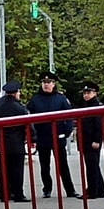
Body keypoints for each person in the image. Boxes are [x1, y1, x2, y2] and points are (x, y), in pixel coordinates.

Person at [25, 71, 81, 199]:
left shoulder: (60, 99)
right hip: (42, 137)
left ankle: (70, 190)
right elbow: (28, 118)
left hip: (58, 136)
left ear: (54, 84)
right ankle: (47, 189)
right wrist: (33, 135)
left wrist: (66, 132)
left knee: (63, 165)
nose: (46, 85)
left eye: (49, 82)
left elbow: (69, 116)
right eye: (44, 82)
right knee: (45, 166)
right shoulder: (35, 99)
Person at [0, 81, 30, 202]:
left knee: (3, 169)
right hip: (17, 142)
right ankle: (18, 193)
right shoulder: (20, 108)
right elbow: (27, 125)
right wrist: (32, 138)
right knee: (17, 169)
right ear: (15, 93)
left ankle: (4, 193)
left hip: (3, 142)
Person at [80, 81, 104, 200]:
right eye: (85, 93)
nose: (86, 95)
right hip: (86, 140)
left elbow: (99, 125)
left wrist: (96, 140)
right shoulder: (87, 106)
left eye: (88, 92)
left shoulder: (96, 106)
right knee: (93, 165)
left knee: (91, 166)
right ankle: (99, 189)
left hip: (92, 141)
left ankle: (92, 191)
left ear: (95, 93)